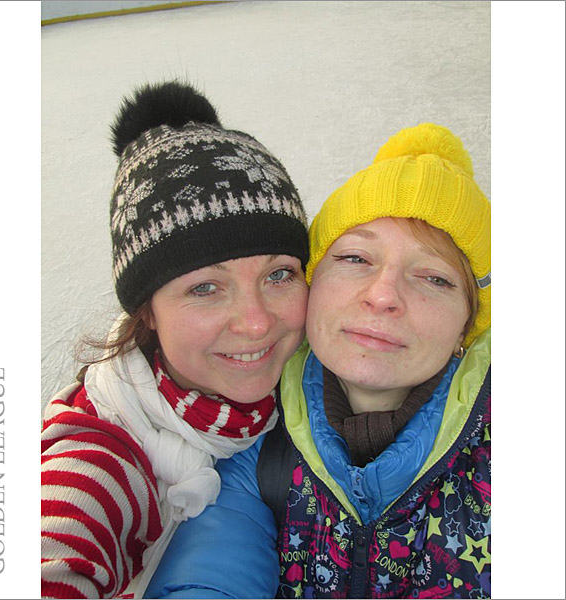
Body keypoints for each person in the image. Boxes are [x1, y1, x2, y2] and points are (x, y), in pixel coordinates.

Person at [145, 122, 491, 599]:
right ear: (312, 282)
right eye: (355, 259)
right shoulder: (255, 440)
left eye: (435, 278)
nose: (383, 295)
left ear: (467, 326)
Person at [40, 81, 310, 599]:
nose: (256, 323)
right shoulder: (98, 456)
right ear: (147, 311)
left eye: (278, 275)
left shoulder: (313, 380)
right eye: (205, 288)